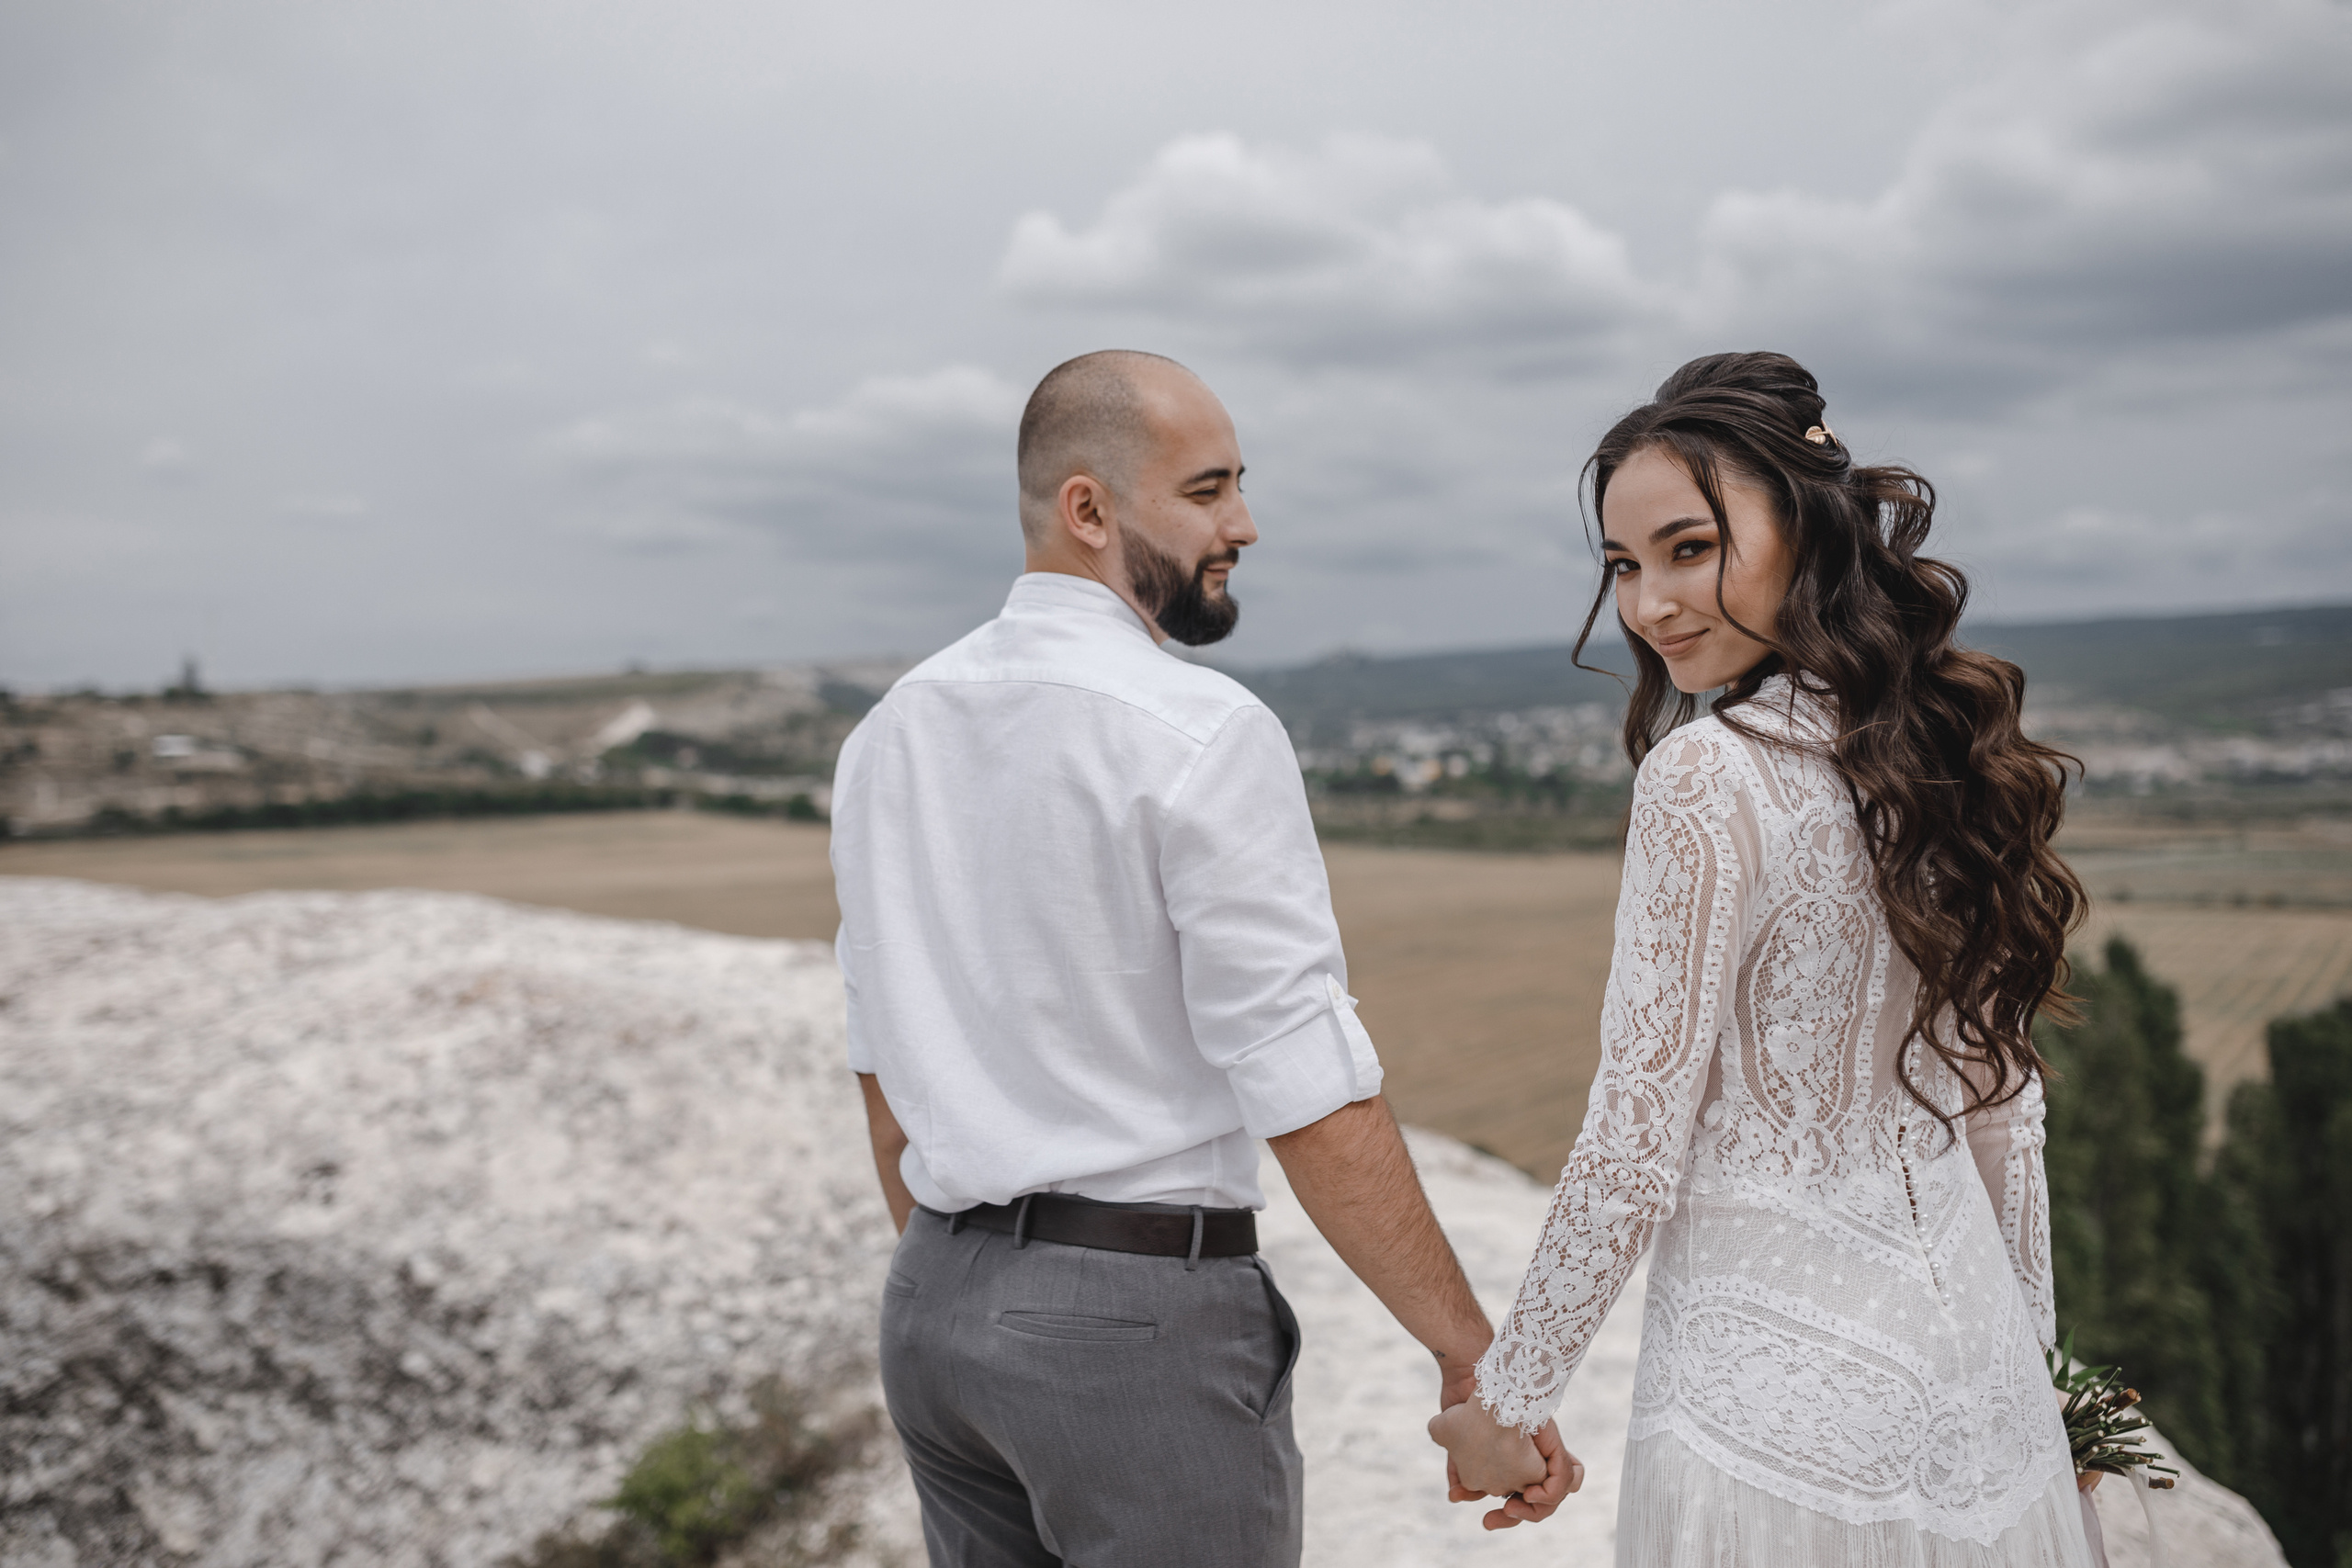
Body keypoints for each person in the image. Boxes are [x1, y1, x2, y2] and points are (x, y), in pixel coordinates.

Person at [831, 349, 1576, 1567]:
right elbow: (1302, 1080)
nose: (1245, 525)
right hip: (1134, 1330)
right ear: (1088, 508)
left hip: (933, 1312)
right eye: (1207, 490)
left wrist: (971, 1279)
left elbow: (882, 1064)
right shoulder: (1203, 729)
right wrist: (1471, 1357)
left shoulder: (889, 732)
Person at [1430, 351, 2098, 1566]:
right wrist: (2041, 1394)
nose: (1649, 606)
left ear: (1807, 526)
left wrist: (1505, 1407)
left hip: (1768, 1425)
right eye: (1622, 566)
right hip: (1982, 1408)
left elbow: (1633, 1139)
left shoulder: (1705, 774)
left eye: (1689, 549)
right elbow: (2003, 1113)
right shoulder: (1937, 761)